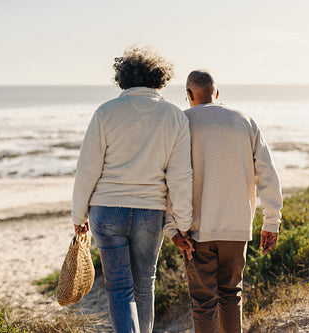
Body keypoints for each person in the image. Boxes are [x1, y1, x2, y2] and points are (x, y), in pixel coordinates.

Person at [71, 46, 193, 333]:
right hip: (151, 212)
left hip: (108, 208)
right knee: (144, 285)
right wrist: (182, 223)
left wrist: (78, 214)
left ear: (123, 78)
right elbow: (180, 177)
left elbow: (87, 168)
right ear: (159, 79)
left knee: (119, 287)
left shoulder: (105, 112)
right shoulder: (174, 116)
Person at [164, 70, 283, 333]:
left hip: (195, 230)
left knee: (203, 302)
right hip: (236, 227)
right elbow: (267, 172)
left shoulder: (180, 122)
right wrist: (271, 222)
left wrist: (172, 228)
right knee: (231, 296)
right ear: (216, 94)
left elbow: (171, 178)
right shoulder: (244, 119)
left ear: (189, 94)